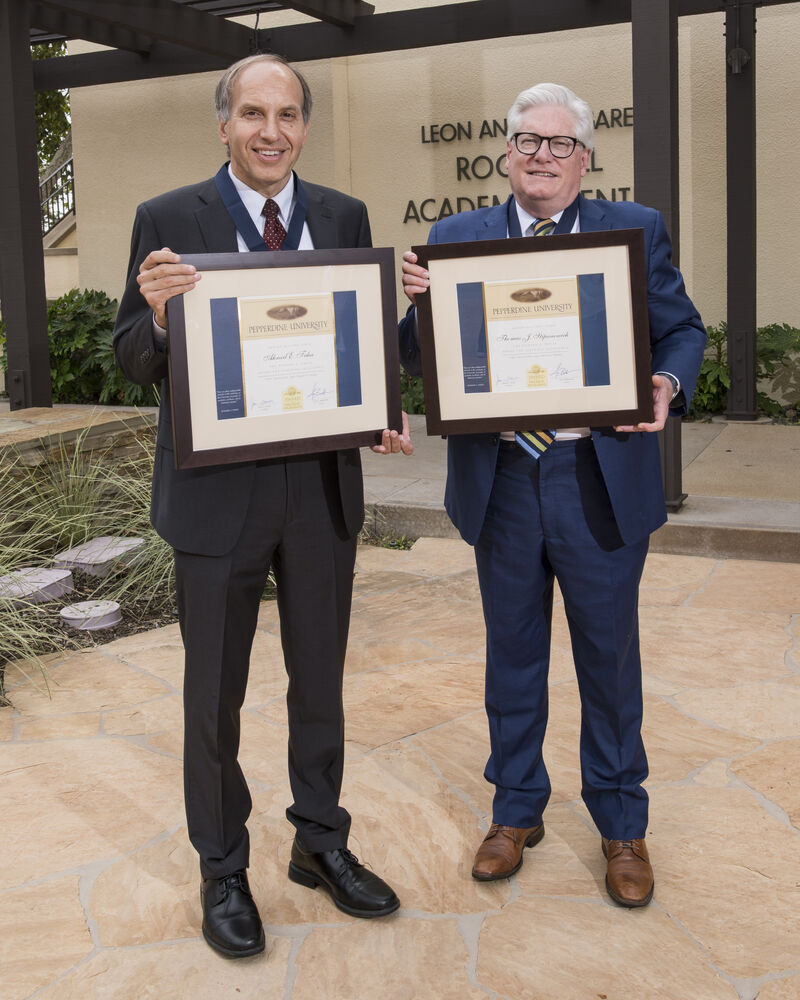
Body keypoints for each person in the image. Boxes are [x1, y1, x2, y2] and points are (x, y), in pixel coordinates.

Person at [114, 53, 412, 959]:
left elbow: (361, 350)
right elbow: (132, 356)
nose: (270, 131)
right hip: (215, 497)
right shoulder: (168, 219)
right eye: (253, 114)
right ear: (224, 124)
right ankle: (223, 867)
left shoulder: (342, 216)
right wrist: (159, 316)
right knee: (216, 697)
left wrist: (378, 411)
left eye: (286, 114)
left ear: (304, 126)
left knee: (319, 683)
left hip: (319, 490)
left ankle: (321, 843)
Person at [399, 82, 706, 908]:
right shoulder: (456, 238)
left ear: (585, 158)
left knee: (607, 657)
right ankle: (515, 810)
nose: (542, 155)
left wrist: (665, 385)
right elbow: (419, 354)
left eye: (559, 143)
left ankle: (620, 822)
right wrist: (414, 307)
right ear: (507, 152)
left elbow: (682, 328)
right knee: (514, 651)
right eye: (528, 141)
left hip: (594, 475)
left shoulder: (632, 231)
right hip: (500, 476)